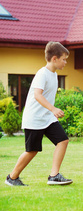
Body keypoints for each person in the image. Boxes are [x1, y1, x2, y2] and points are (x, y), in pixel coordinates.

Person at [5, 41, 73, 186]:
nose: (65, 62)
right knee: (32, 151)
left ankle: (54, 175)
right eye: (64, 59)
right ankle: (12, 177)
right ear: (54, 59)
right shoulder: (42, 73)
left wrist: (51, 111)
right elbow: (37, 95)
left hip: (47, 118)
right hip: (34, 118)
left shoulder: (53, 74)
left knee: (63, 140)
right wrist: (53, 109)